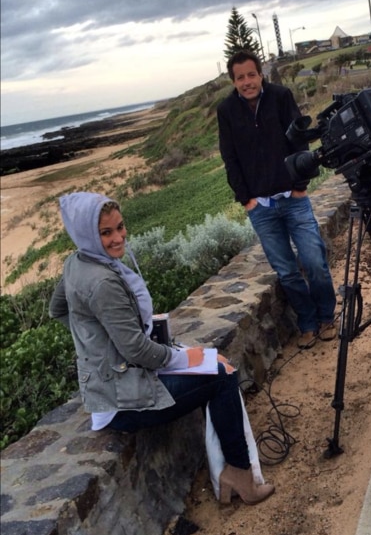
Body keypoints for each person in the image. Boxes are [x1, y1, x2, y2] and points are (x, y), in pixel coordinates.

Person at [49, 192, 274, 505]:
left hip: (108, 387)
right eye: (106, 232)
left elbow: (58, 309)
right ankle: (238, 473)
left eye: (120, 227)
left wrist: (99, 340)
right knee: (221, 374)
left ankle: (232, 470)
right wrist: (182, 356)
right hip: (122, 402)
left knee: (213, 368)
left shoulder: (77, 262)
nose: (118, 238)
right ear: (87, 234)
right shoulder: (102, 282)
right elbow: (137, 352)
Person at [217, 50, 337, 349]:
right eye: (240, 77)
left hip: (294, 199)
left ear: (261, 74)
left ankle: (327, 318)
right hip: (261, 208)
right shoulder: (226, 110)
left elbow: (300, 141)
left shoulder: (281, 96)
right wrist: (246, 199)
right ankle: (307, 323)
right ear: (234, 81)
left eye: (251, 75)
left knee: (314, 261)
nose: (247, 82)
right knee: (286, 271)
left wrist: (300, 185)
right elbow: (229, 157)